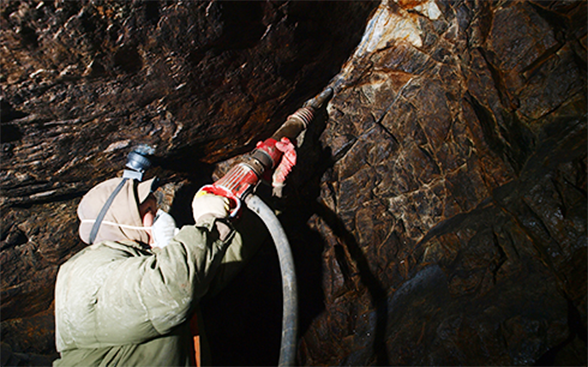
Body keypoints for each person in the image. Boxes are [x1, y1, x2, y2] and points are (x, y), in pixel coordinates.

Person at [53, 174, 271, 367]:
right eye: (149, 210)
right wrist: (207, 220)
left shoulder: (140, 260)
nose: (159, 216)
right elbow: (173, 288)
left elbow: (212, 269)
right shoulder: (85, 273)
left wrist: (271, 189)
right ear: (120, 221)